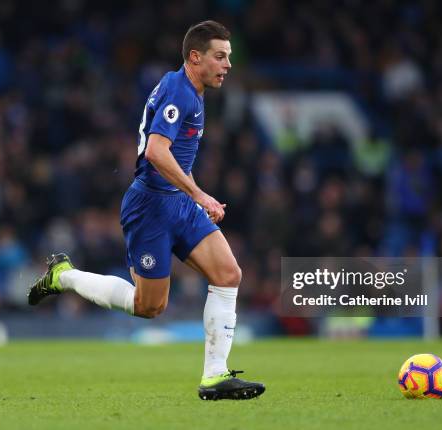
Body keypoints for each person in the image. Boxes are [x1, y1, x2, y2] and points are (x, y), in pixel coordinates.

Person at [28, 20, 265, 401]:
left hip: (177, 202)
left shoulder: (192, 91)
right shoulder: (179, 90)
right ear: (195, 57)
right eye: (220, 56)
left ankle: (215, 377)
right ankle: (65, 276)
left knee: (228, 273)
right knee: (148, 307)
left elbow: (176, 156)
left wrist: (194, 196)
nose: (228, 65)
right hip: (150, 206)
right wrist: (201, 195)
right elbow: (156, 152)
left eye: (229, 57)